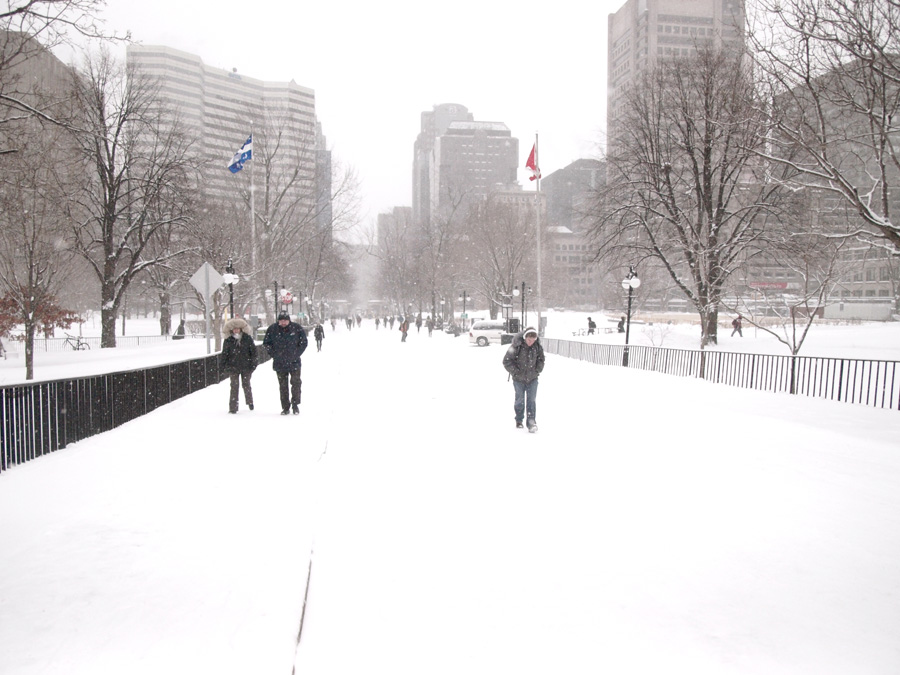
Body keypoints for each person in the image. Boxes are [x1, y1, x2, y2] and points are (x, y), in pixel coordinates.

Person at [263, 312, 308, 415]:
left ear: (289, 320)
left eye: (285, 320)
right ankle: (285, 407)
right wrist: (274, 354)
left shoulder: (296, 328)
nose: (283, 322)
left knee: (296, 383)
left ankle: (295, 404)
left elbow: (304, 342)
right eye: (281, 320)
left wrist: (296, 354)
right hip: (279, 362)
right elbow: (266, 343)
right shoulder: (273, 329)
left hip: (294, 362)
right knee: (283, 386)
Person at [502, 326, 545, 432]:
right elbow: (506, 361)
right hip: (518, 380)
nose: (531, 342)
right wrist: (516, 372)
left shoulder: (537, 347)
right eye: (529, 340)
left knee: (531, 401)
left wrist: (537, 370)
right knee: (519, 400)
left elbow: (541, 360)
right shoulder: (516, 346)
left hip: (532, 379)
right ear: (525, 338)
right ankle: (519, 419)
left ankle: (531, 422)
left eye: (533, 340)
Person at [219, 317, 258, 414]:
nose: (236, 330)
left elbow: (253, 352)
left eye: (238, 328)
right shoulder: (228, 340)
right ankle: (233, 407)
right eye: (234, 329)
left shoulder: (247, 339)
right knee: (234, 386)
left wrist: (253, 365)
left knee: (246, 385)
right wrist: (223, 366)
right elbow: (224, 354)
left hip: (246, 366)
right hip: (233, 367)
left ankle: (250, 402)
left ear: (241, 329)